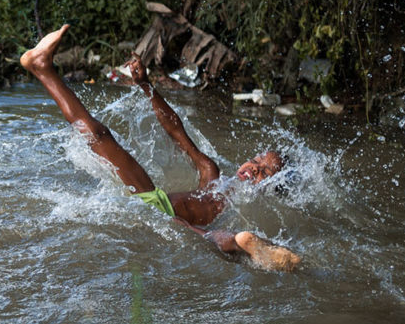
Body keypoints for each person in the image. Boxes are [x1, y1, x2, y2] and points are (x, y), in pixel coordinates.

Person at [20, 25, 301, 271]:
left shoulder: (241, 204)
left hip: (160, 217)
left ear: (272, 186)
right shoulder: (211, 174)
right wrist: (146, 86)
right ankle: (42, 67)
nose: (253, 168)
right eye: (255, 160)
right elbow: (176, 131)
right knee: (99, 135)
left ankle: (249, 247)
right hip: (155, 206)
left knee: (207, 236)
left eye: (264, 172)